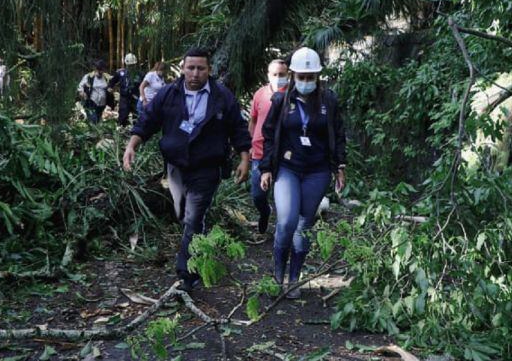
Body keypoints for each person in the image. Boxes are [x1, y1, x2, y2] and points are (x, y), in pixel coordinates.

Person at [122, 47, 252, 291]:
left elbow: (238, 128)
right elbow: (147, 120)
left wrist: (245, 158)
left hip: (207, 165)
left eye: (200, 68)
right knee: (182, 212)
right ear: (182, 69)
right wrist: (132, 146)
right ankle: (197, 246)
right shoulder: (169, 93)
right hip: (176, 164)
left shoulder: (222, 96)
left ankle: (187, 274)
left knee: (193, 217)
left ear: (209, 70)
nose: (195, 73)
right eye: (190, 68)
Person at [259, 47, 346, 299]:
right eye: (301, 77)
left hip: (317, 171)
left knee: (303, 225)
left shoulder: (328, 101)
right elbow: (268, 135)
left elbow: (339, 134)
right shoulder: (281, 101)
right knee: (286, 221)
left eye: (311, 77)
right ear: (293, 75)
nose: (306, 82)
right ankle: (278, 274)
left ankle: (294, 280)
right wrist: (266, 168)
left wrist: (340, 166)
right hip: (288, 168)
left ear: (317, 76)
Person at [248, 59, 290, 234]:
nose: (278, 78)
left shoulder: (292, 96)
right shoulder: (260, 94)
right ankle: (265, 212)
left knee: (284, 198)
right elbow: (253, 120)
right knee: (258, 195)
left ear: (288, 75)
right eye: (275, 74)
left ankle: (282, 232)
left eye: (282, 74)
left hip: (284, 155)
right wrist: (250, 143)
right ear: (268, 75)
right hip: (259, 153)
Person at [108, 53, 140, 127]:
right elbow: (112, 81)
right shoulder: (120, 73)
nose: (131, 67)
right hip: (124, 98)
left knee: (137, 116)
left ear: (135, 64)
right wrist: (110, 87)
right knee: (123, 115)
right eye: (130, 65)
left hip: (136, 98)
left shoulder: (139, 74)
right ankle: (121, 130)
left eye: (133, 65)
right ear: (126, 64)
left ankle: (136, 132)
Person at [78, 60, 111, 124]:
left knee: (98, 119)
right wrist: (82, 93)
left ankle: (94, 132)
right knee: (93, 120)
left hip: (102, 104)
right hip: (91, 102)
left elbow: (114, 82)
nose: (100, 72)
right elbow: (80, 86)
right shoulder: (89, 77)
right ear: (95, 69)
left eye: (101, 70)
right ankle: (93, 129)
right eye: (98, 70)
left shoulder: (106, 77)